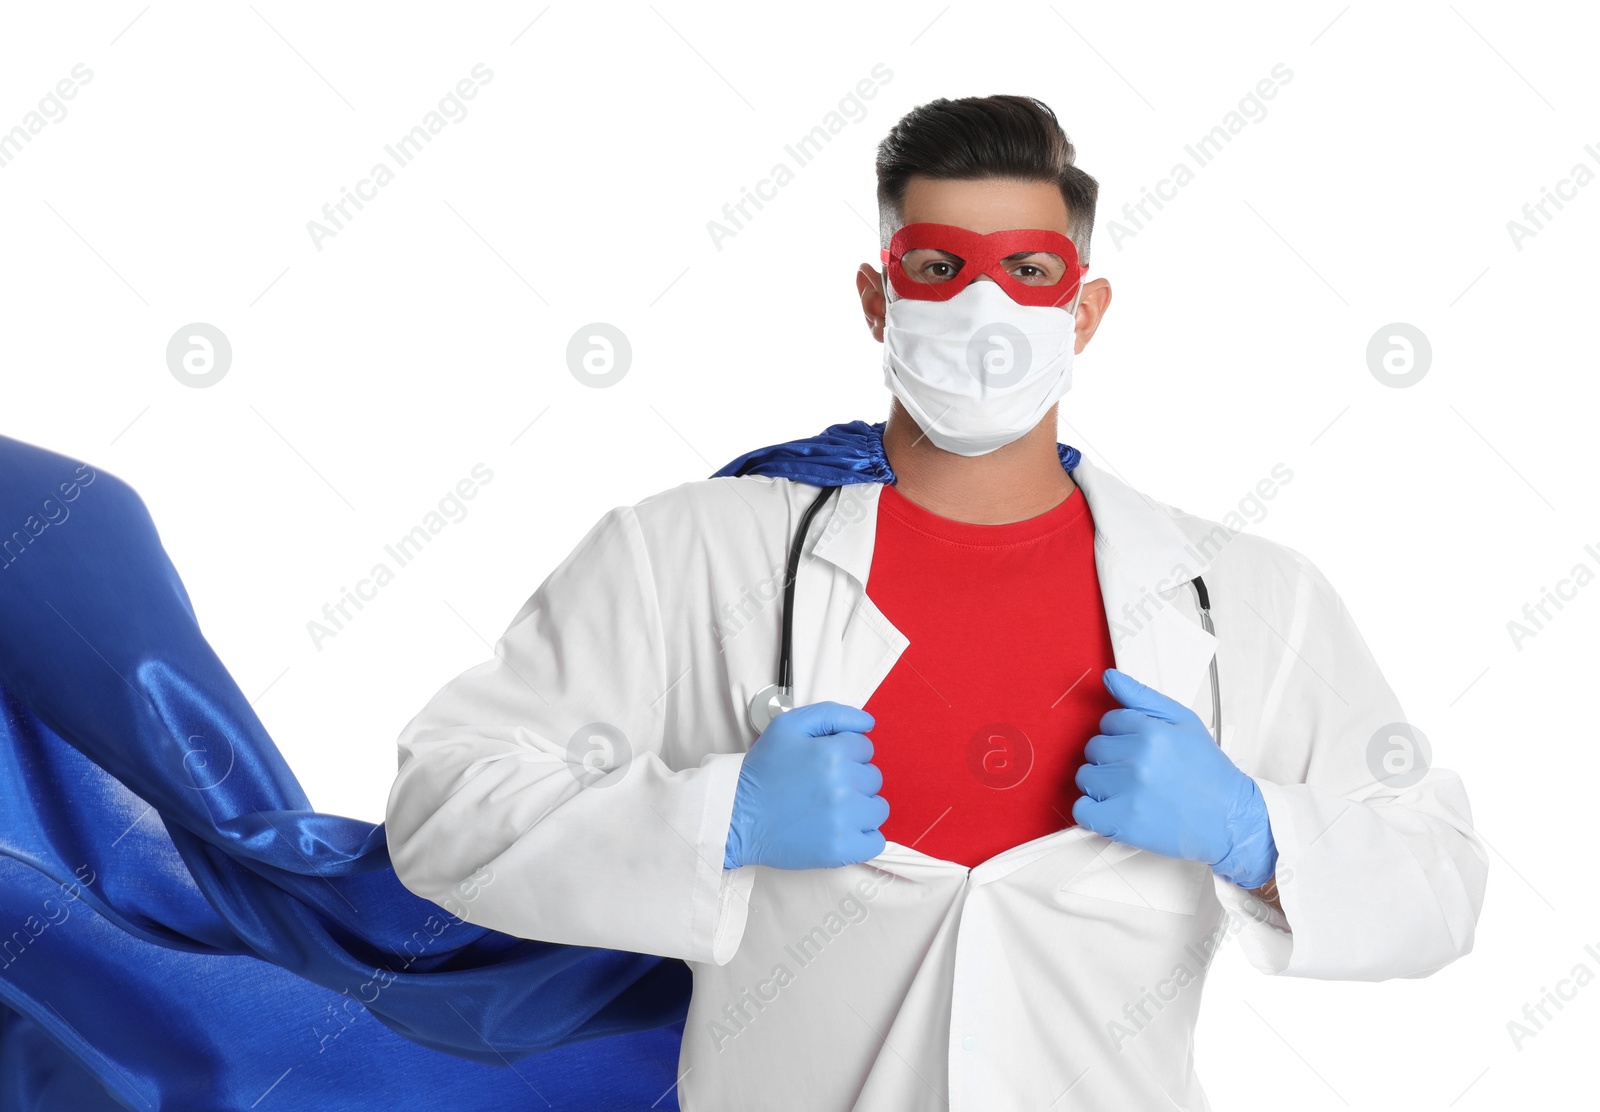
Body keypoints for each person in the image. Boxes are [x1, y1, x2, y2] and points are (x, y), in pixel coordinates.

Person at [384, 94, 1487, 1110]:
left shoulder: (1244, 595)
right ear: (876, 296)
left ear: (1086, 309)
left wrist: (1255, 830)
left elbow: (1439, 882)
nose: (984, 306)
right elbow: (442, 808)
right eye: (937, 265)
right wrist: (722, 820)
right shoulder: (686, 554)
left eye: (1030, 271)